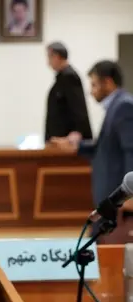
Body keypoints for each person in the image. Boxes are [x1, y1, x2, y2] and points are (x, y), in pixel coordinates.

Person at [51, 61, 133, 242]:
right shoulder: (116, 106)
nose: (91, 91)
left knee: (107, 248)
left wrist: (130, 195)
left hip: (119, 197)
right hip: (110, 197)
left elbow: (131, 151)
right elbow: (105, 146)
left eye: (94, 84)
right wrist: (76, 146)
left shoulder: (124, 106)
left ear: (108, 82)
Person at [45, 42, 93, 141]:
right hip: (59, 139)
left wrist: (78, 131)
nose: (48, 62)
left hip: (66, 140)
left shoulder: (70, 77)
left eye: (49, 57)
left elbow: (78, 107)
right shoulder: (61, 78)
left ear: (57, 56)